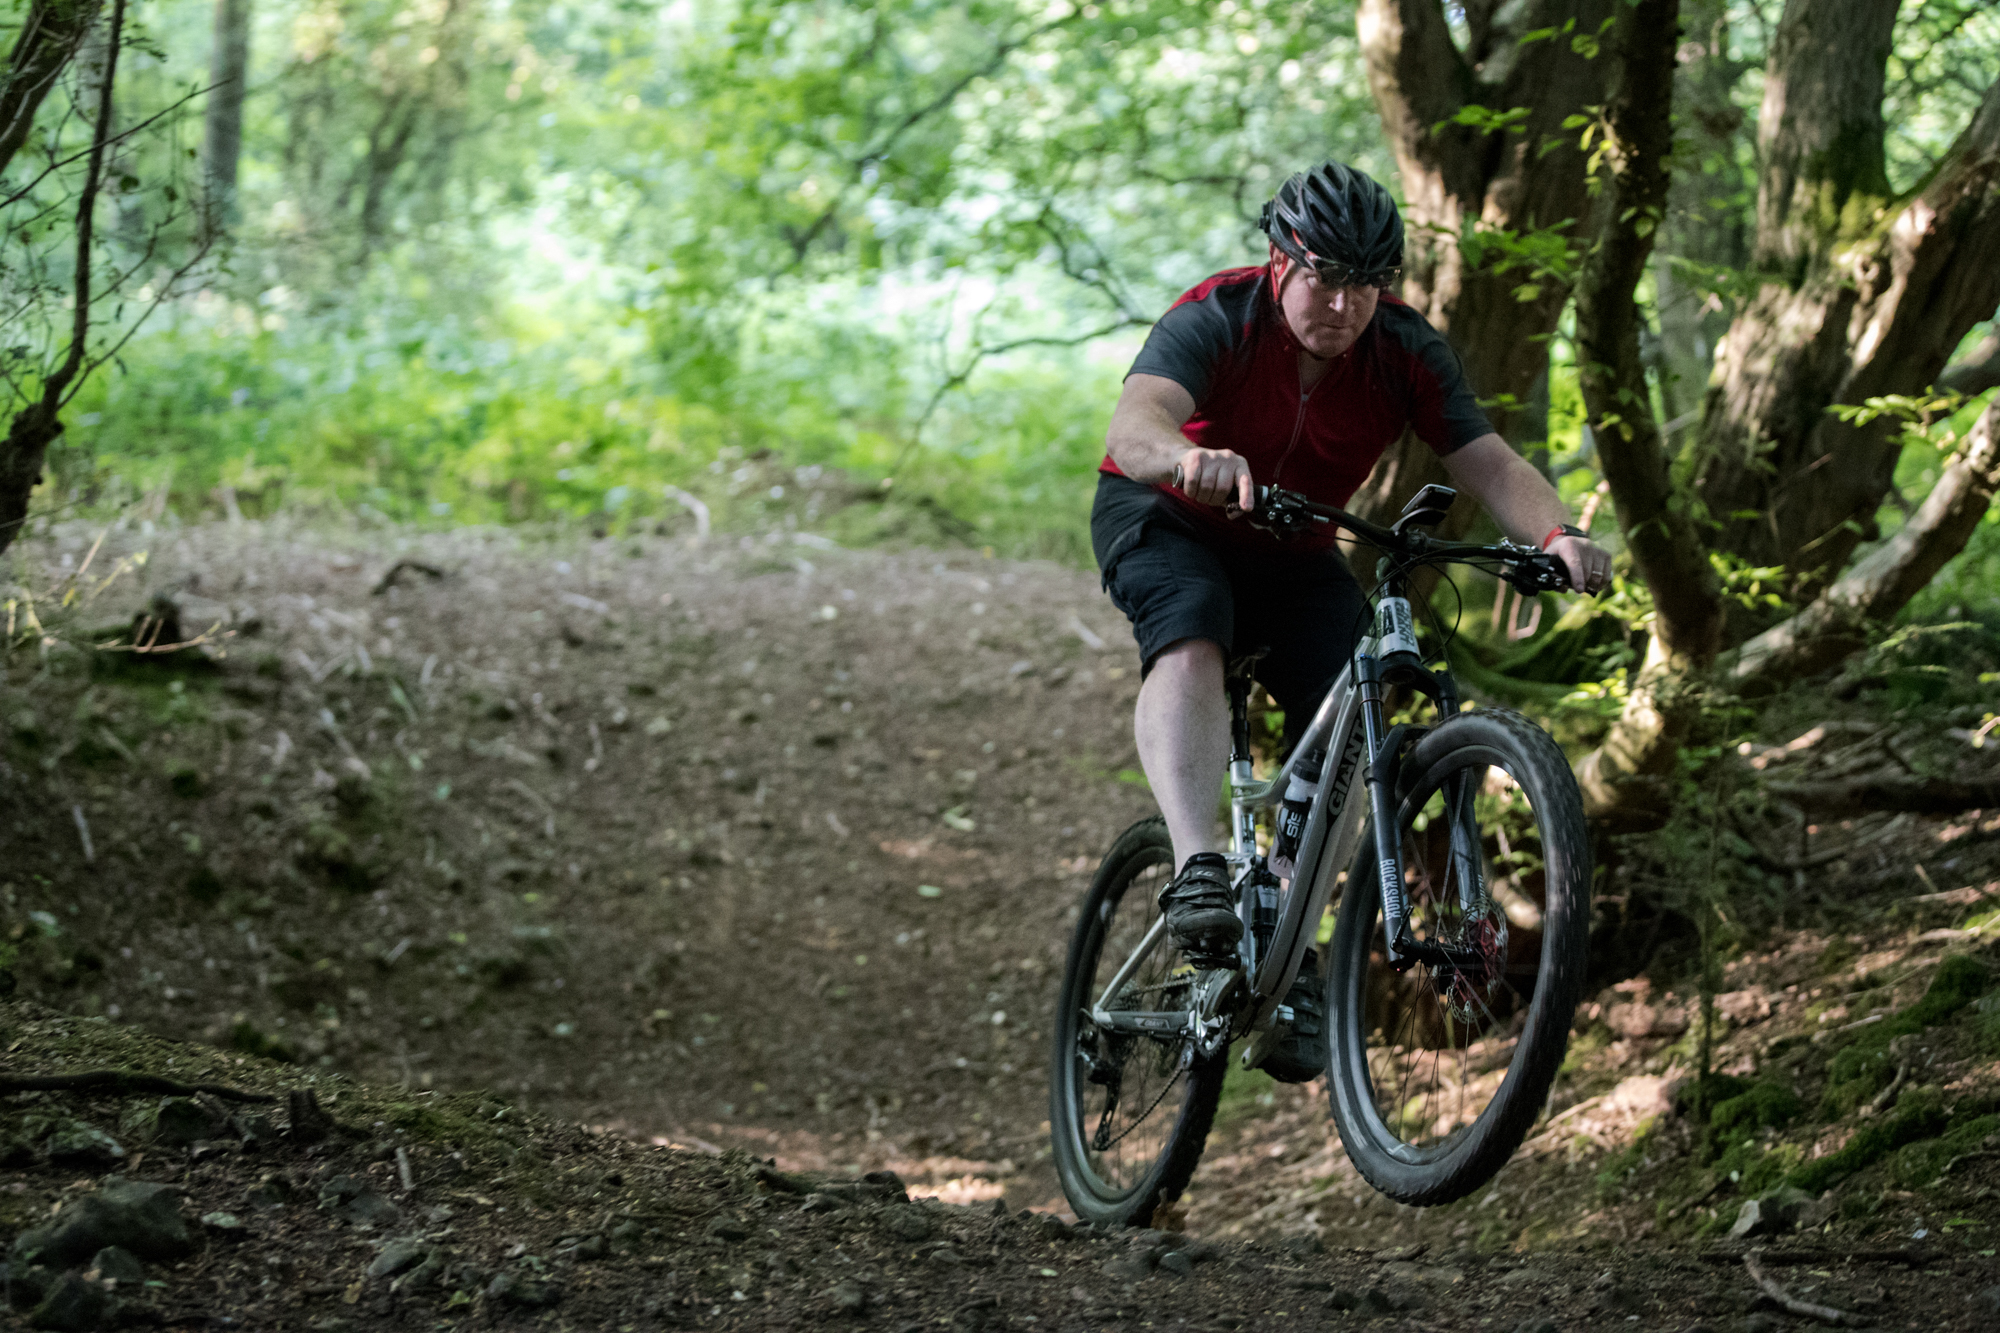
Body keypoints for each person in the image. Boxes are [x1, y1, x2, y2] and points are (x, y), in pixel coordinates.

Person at [1092, 161, 1612, 1059]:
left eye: (1366, 283)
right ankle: (1197, 867)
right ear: (1280, 261)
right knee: (1193, 626)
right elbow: (1134, 424)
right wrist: (1185, 461)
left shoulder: (1405, 350)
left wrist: (1558, 535)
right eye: (1325, 276)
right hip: (1169, 519)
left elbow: (1486, 460)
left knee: (1357, 695)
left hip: (1294, 547)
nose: (1343, 303)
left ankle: (1287, 941)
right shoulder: (1217, 314)